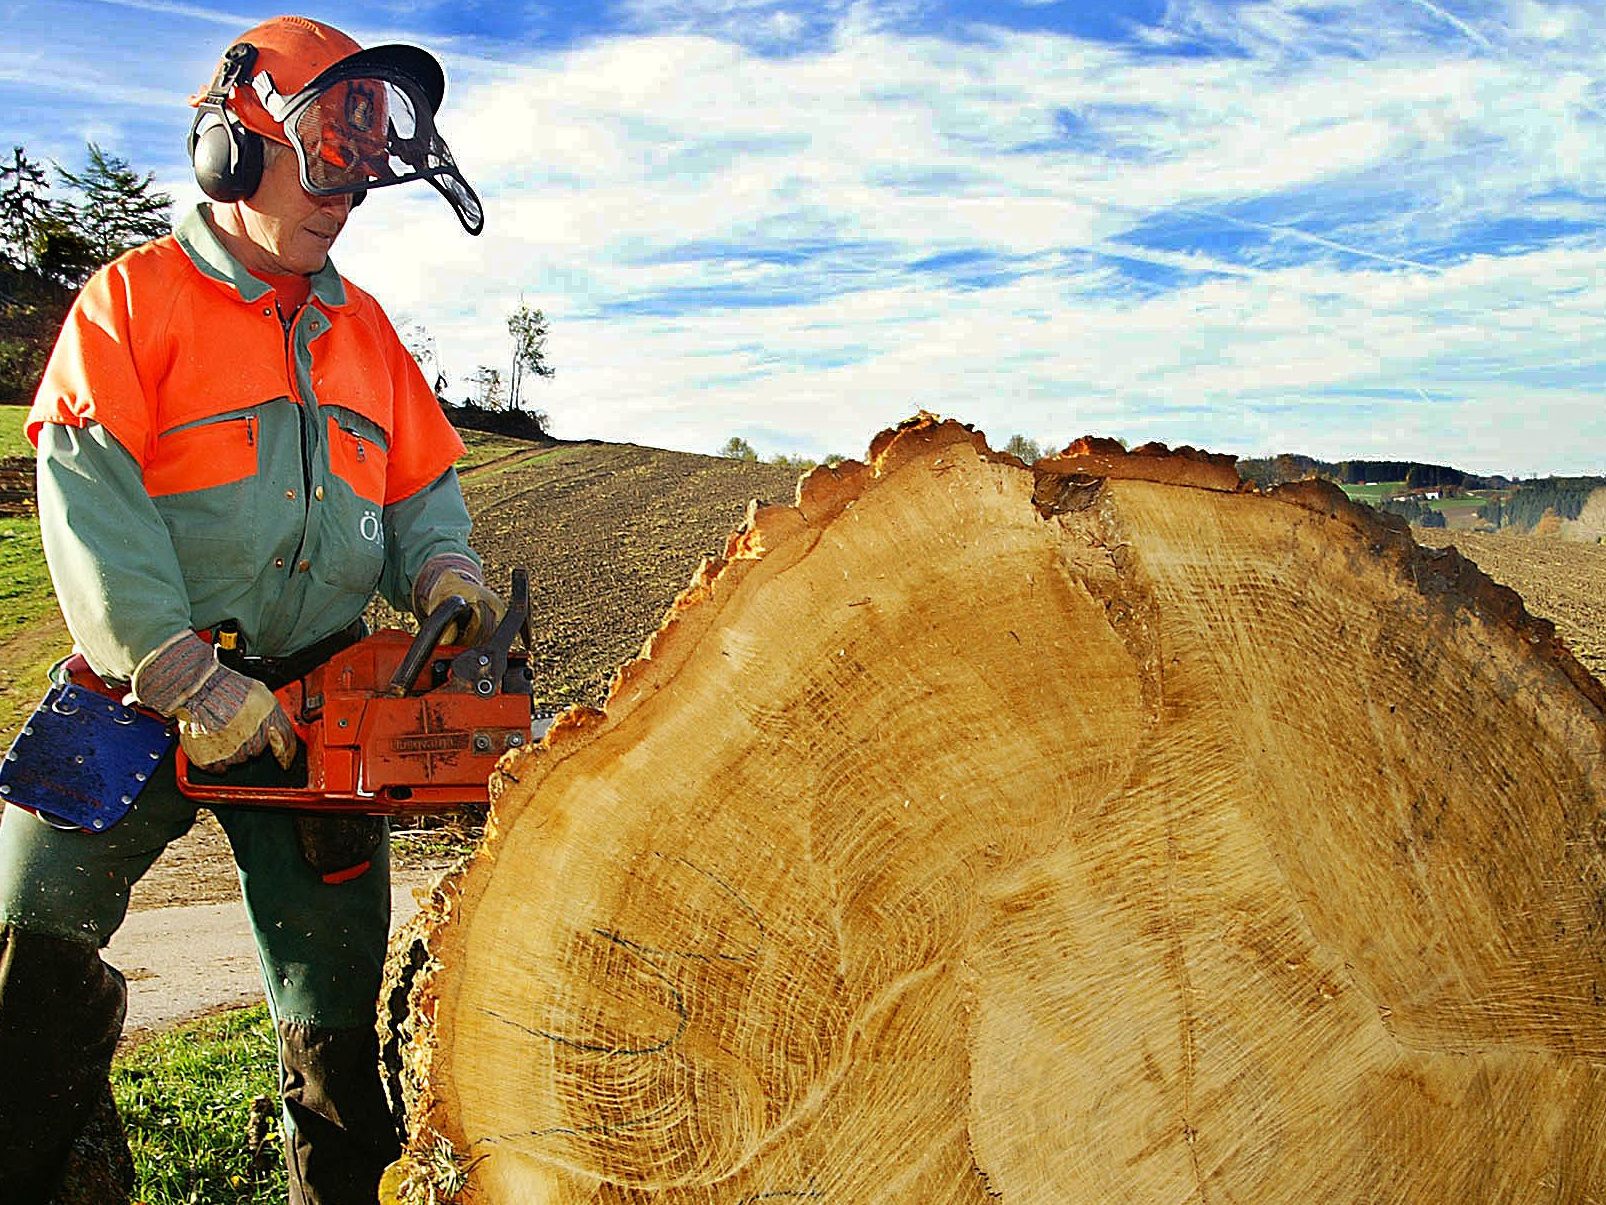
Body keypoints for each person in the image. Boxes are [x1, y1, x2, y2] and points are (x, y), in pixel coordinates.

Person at [0, 16, 503, 1204]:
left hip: (318, 702)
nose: (347, 199)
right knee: (23, 944)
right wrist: (176, 675)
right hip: (138, 697)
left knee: (334, 1014)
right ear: (231, 149)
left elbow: (423, 490)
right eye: (324, 162)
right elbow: (88, 499)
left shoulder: (368, 334)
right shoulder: (132, 305)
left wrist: (444, 572)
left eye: (362, 173)